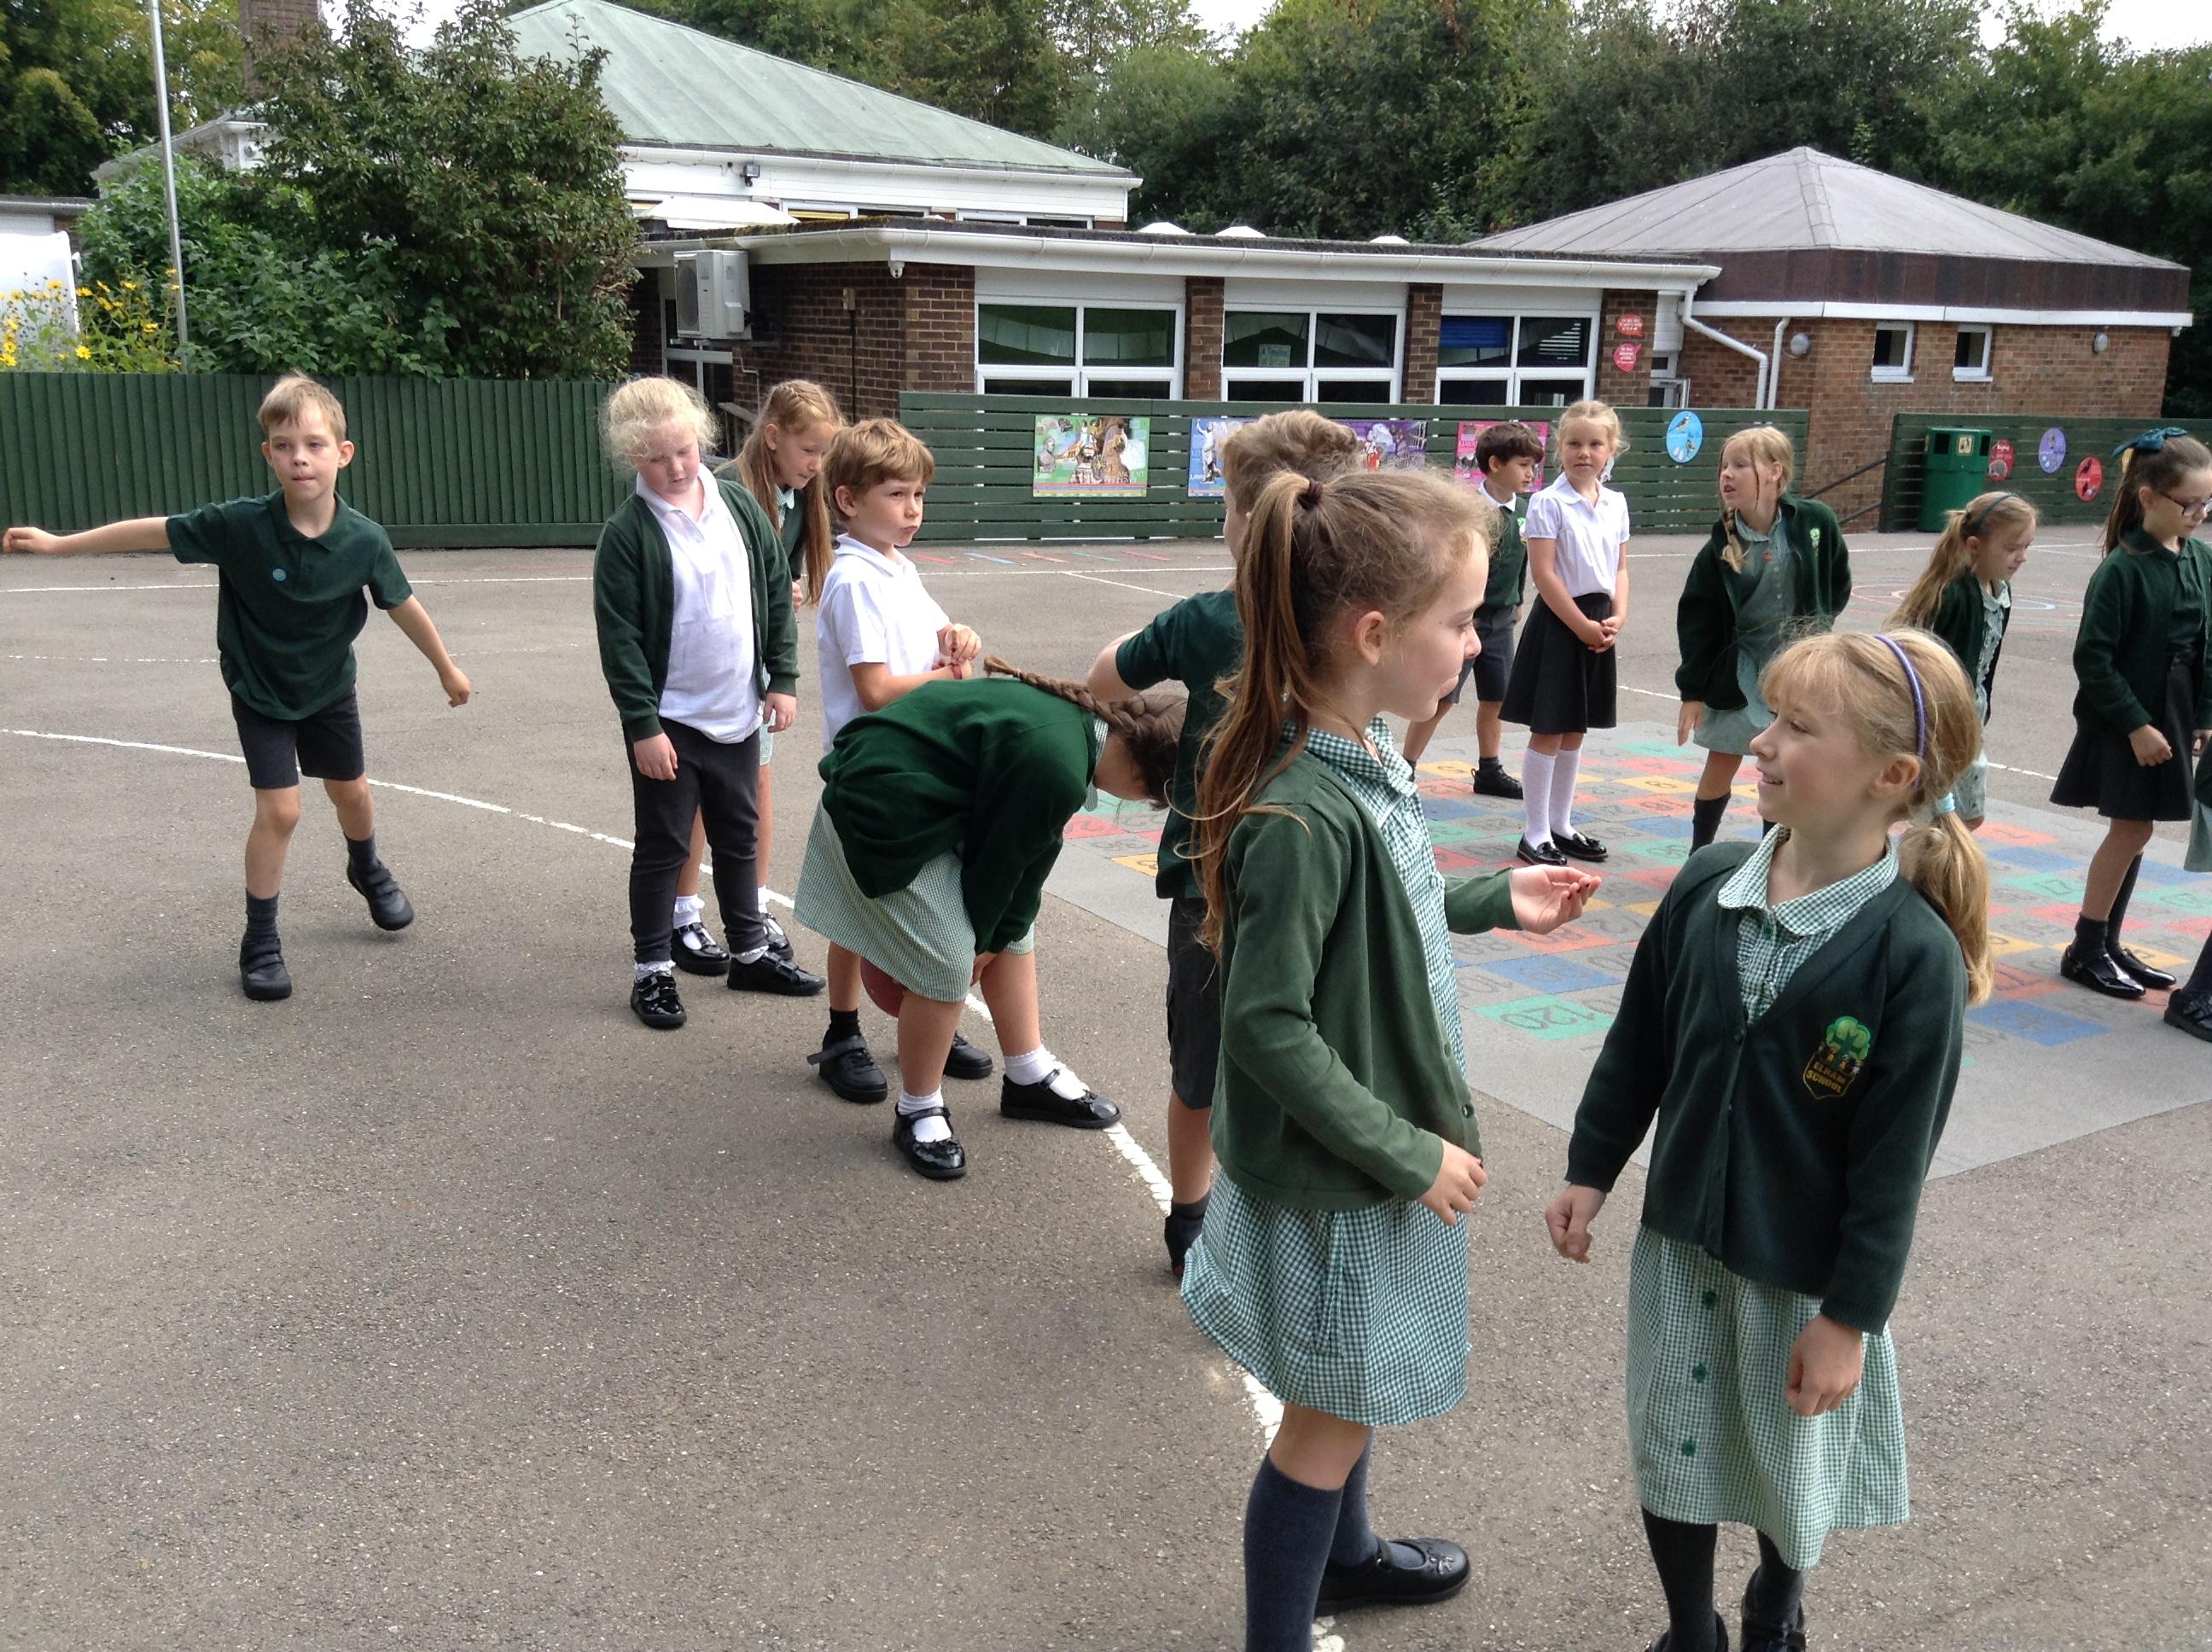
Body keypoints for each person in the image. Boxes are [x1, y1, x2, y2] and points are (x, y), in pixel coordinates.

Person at [1182, 467, 1599, 1652]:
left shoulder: (1358, 754)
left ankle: (1349, 1557)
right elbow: (1266, 1027)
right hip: (1347, 1178)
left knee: (1348, 1389)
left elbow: (1389, 908)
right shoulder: (1307, 811)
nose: (1475, 644)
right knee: (1321, 1422)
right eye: (1461, 622)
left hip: (1363, 1163)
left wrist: (1495, 897)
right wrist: (1407, 1151)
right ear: (1375, 635)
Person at [1546, 628, 1990, 1652]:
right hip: (1681, 1244)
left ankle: (1774, 1606)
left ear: (1891, 777)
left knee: (1790, 1464)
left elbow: (1894, 1169)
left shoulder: (1910, 955)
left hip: (1803, 1279)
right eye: (1771, 717)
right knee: (1676, 1447)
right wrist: (1590, 1168)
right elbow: (1639, 1045)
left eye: (1795, 726)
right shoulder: (1708, 884)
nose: (1760, 740)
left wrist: (1850, 1319)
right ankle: (1689, 1629)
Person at [2, 373, 470, 1002]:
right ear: (267, 454)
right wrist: (61, 546)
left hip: (328, 689)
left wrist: (445, 667)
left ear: (343, 454)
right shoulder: (241, 525)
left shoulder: (364, 540)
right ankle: (261, 940)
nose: (299, 458)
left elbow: (402, 604)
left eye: (313, 444)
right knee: (281, 810)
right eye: (284, 446)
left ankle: (366, 867)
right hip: (259, 690)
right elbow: (153, 531)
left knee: (352, 793)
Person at [1084, 409, 1361, 1278]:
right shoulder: (1360, 621)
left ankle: (1191, 1219)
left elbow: (1102, 681)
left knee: (1200, 1067)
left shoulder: (1209, 617)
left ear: (1245, 517)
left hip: (1212, 881)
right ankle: (1291, 1220)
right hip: (1323, 873)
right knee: (1310, 1048)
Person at [795, 661, 1179, 1179]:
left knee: (1014, 928)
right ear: (1144, 778)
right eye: (1155, 801)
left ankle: (1027, 1073)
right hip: (877, 814)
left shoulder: (1080, 727)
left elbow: (1030, 858)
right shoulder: (1059, 765)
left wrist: (1001, 934)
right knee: (949, 960)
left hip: (921, 800)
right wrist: (982, 944)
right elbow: (996, 871)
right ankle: (918, 1109)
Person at [591, 375, 825, 1032]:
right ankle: (652, 970)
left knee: (738, 837)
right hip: (670, 724)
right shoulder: (628, 534)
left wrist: (782, 677)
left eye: (685, 451)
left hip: (737, 713)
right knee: (663, 846)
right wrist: (642, 727)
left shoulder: (737, 506)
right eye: (657, 457)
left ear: (701, 441)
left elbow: (775, 589)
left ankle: (750, 952)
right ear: (631, 456)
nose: (675, 468)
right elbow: (620, 641)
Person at [801, 418, 989, 1105]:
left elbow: (937, 639)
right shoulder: (855, 579)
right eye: (897, 495)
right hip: (871, 776)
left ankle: (924, 1019)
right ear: (848, 500)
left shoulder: (897, 568)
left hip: (915, 767)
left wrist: (959, 636)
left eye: (919, 496)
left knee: (917, 906)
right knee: (858, 911)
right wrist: (947, 682)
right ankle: (841, 1034)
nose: (913, 510)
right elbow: (876, 690)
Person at [666, 380, 843, 977]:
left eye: (823, 453)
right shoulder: (727, 493)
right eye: (808, 451)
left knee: (754, 788)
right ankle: (682, 914)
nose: (816, 464)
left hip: (756, 664)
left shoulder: (799, 499)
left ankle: (753, 909)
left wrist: (782, 608)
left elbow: (779, 584)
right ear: (772, 438)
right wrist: (765, 597)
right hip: (712, 666)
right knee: (698, 794)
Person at [2048, 429, 2212, 1001]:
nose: (2200, 514)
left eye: (2207, 503)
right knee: (2133, 828)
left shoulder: (2200, 558)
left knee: (2139, 829)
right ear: (2148, 497)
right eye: (2188, 504)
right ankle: (2086, 947)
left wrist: (2203, 712)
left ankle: (2109, 942)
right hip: (2128, 716)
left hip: (2174, 707)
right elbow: (2093, 660)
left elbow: (2207, 642)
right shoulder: (2121, 570)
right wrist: (2137, 726)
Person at [1676, 426, 1853, 850]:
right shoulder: (1720, 547)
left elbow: (1838, 580)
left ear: (1775, 472)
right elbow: (1696, 622)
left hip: (1797, 669)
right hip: (1742, 668)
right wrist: (1693, 691)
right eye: (1724, 466)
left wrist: (1818, 628)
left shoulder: (1815, 522)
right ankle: (1699, 851)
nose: (1727, 475)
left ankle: (1773, 855)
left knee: (1785, 763)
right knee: (1723, 758)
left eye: (1740, 465)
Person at [1502, 399, 1631, 867]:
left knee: (1576, 728)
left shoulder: (1616, 503)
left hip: (1599, 621)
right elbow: (1544, 573)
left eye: (1595, 444)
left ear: (1612, 449)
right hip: (1561, 622)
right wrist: (1581, 626)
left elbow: (1619, 569)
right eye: (1574, 443)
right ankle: (1534, 832)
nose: (1584, 452)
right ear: (1560, 447)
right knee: (1550, 728)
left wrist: (1618, 616)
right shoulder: (1547, 502)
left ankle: (1561, 824)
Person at [1401, 418, 1544, 795]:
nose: (1531, 474)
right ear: (1495, 464)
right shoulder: (1468, 512)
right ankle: (1406, 765)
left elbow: (1523, 558)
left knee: (1496, 697)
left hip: (1501, 619)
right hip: (1466, 619)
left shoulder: (1526, 510)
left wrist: (1517, 598)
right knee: (1444, 695)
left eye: (1533, 466)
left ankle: (1489, 770)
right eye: (1523, 465)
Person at [1891, 490, 2040, 829]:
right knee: (1940, 819)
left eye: (2026, 546)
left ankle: (1931, 861)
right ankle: (1915, 863)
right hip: (1943, 721)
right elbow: (1927, 667)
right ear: (1974, 546)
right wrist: (1936, 725)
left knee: (1969, 816)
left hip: (1971, 715)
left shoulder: (2000, 591)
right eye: (2012, 548)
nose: (2022, 557)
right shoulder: (1954, 596)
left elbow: (1987, 663)